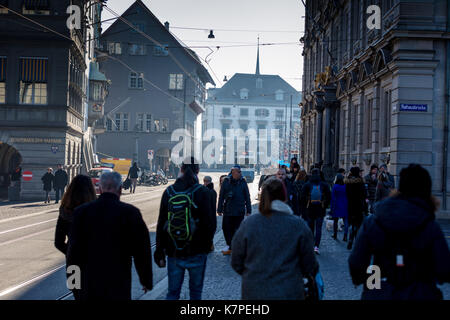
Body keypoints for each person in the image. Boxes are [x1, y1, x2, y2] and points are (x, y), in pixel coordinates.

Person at [349, 164, 450, 300]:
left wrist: (370, 280)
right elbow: (444, 268)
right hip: (419, 293)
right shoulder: (430, 226)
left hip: (380, 290)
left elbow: (356, 263)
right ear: (426, 191)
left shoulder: (374, 221)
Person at [66, 171, 153, 300]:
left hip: (89, 284)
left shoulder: (81, 213)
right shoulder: (130, 213)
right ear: (120, 189)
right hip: (118, 284)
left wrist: (73, 283)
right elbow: (142, 251)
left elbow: (73, 253)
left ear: (100, 189)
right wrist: (146, 280)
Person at [231, 177, 319, 300]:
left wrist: (252, 274)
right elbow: (310, 265)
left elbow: (236, 261)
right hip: (289, 291)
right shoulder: (298, 226)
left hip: (254, 291)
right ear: (284, 196)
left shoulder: (249, 224)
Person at [154, 158, 216, 300]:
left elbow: (161, 223)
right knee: (195, 292)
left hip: (174, 251)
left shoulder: (169, 191)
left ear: (181, 170)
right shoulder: (202, 192)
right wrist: (206, 246)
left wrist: (160, 251)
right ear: (198, 171)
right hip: (197, 250)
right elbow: (210, 223)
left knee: (173, 292)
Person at [54, 175, 96, 255]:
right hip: (94, 260)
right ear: (91, 189)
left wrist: (71, 253)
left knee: (73, 268)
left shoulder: (65, 209)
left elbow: (58, 242)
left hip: (73, 261)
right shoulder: (97, 208)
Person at [217, 165, 251, 255]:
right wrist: (219, 209)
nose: (240, 173)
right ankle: (230, 244)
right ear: (233, 172)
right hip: (228, 209)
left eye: (240, 172)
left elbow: (247, 196)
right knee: (226, 228)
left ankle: (234, 246)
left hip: (239, 210)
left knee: (238, 229)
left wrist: (249, 209)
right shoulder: (226, 181)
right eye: (239, 172)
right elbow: (221, 196)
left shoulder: (243, 181)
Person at [300, 168, 331, 254]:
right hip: (320, 209)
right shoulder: (324, 184)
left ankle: (311, 244)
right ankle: (316, 246)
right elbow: (329, 197)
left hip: (310, 209)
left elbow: (302, 197)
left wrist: (304, 207)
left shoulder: (307, 184)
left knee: (310, 228)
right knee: (319, 228)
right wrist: (324, 205)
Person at [345, 167, 368, 250]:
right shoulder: (360, 182)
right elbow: (364, 194)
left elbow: (346, 194)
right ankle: (356, 241)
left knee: (352, 224)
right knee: (358, 225)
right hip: (359, 206)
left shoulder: (347, 182)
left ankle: (350, 239)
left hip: (350, 206)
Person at [330, 173, 349, 241]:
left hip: (337, 204)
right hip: (345, 204)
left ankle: (335, 234)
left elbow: (333, 198)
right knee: (346, 221)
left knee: (335, 221)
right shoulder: (345, 186)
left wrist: (332, 208)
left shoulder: (335, 186)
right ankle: (345, 236)